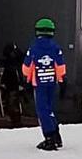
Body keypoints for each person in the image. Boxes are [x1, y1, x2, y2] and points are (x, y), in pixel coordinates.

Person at [22, 18, 66, 150]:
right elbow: (60, 66)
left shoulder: (34, 47)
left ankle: (49, 137)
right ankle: (56, 135)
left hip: (39, 83)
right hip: (52, 83)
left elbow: (27, 66)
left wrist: (27, 81)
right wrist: (62, 81)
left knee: (42, 111)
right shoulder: (55, 47)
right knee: (50, 109)